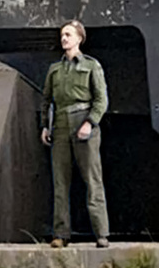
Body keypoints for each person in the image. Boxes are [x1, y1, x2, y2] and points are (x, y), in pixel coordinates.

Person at [40, 20, 110, 248]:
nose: (64, 39)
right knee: (60, 182)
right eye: (62, 35)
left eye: (68, 35)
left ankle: (101, 233)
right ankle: (61, 234)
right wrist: (45, 126)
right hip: (60, 124)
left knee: (92, 179)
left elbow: (101, 100)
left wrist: (90, 122)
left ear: (79, 38)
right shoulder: (54, 70)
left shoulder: (91, 66)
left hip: (83, 121)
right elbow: (46, 99)